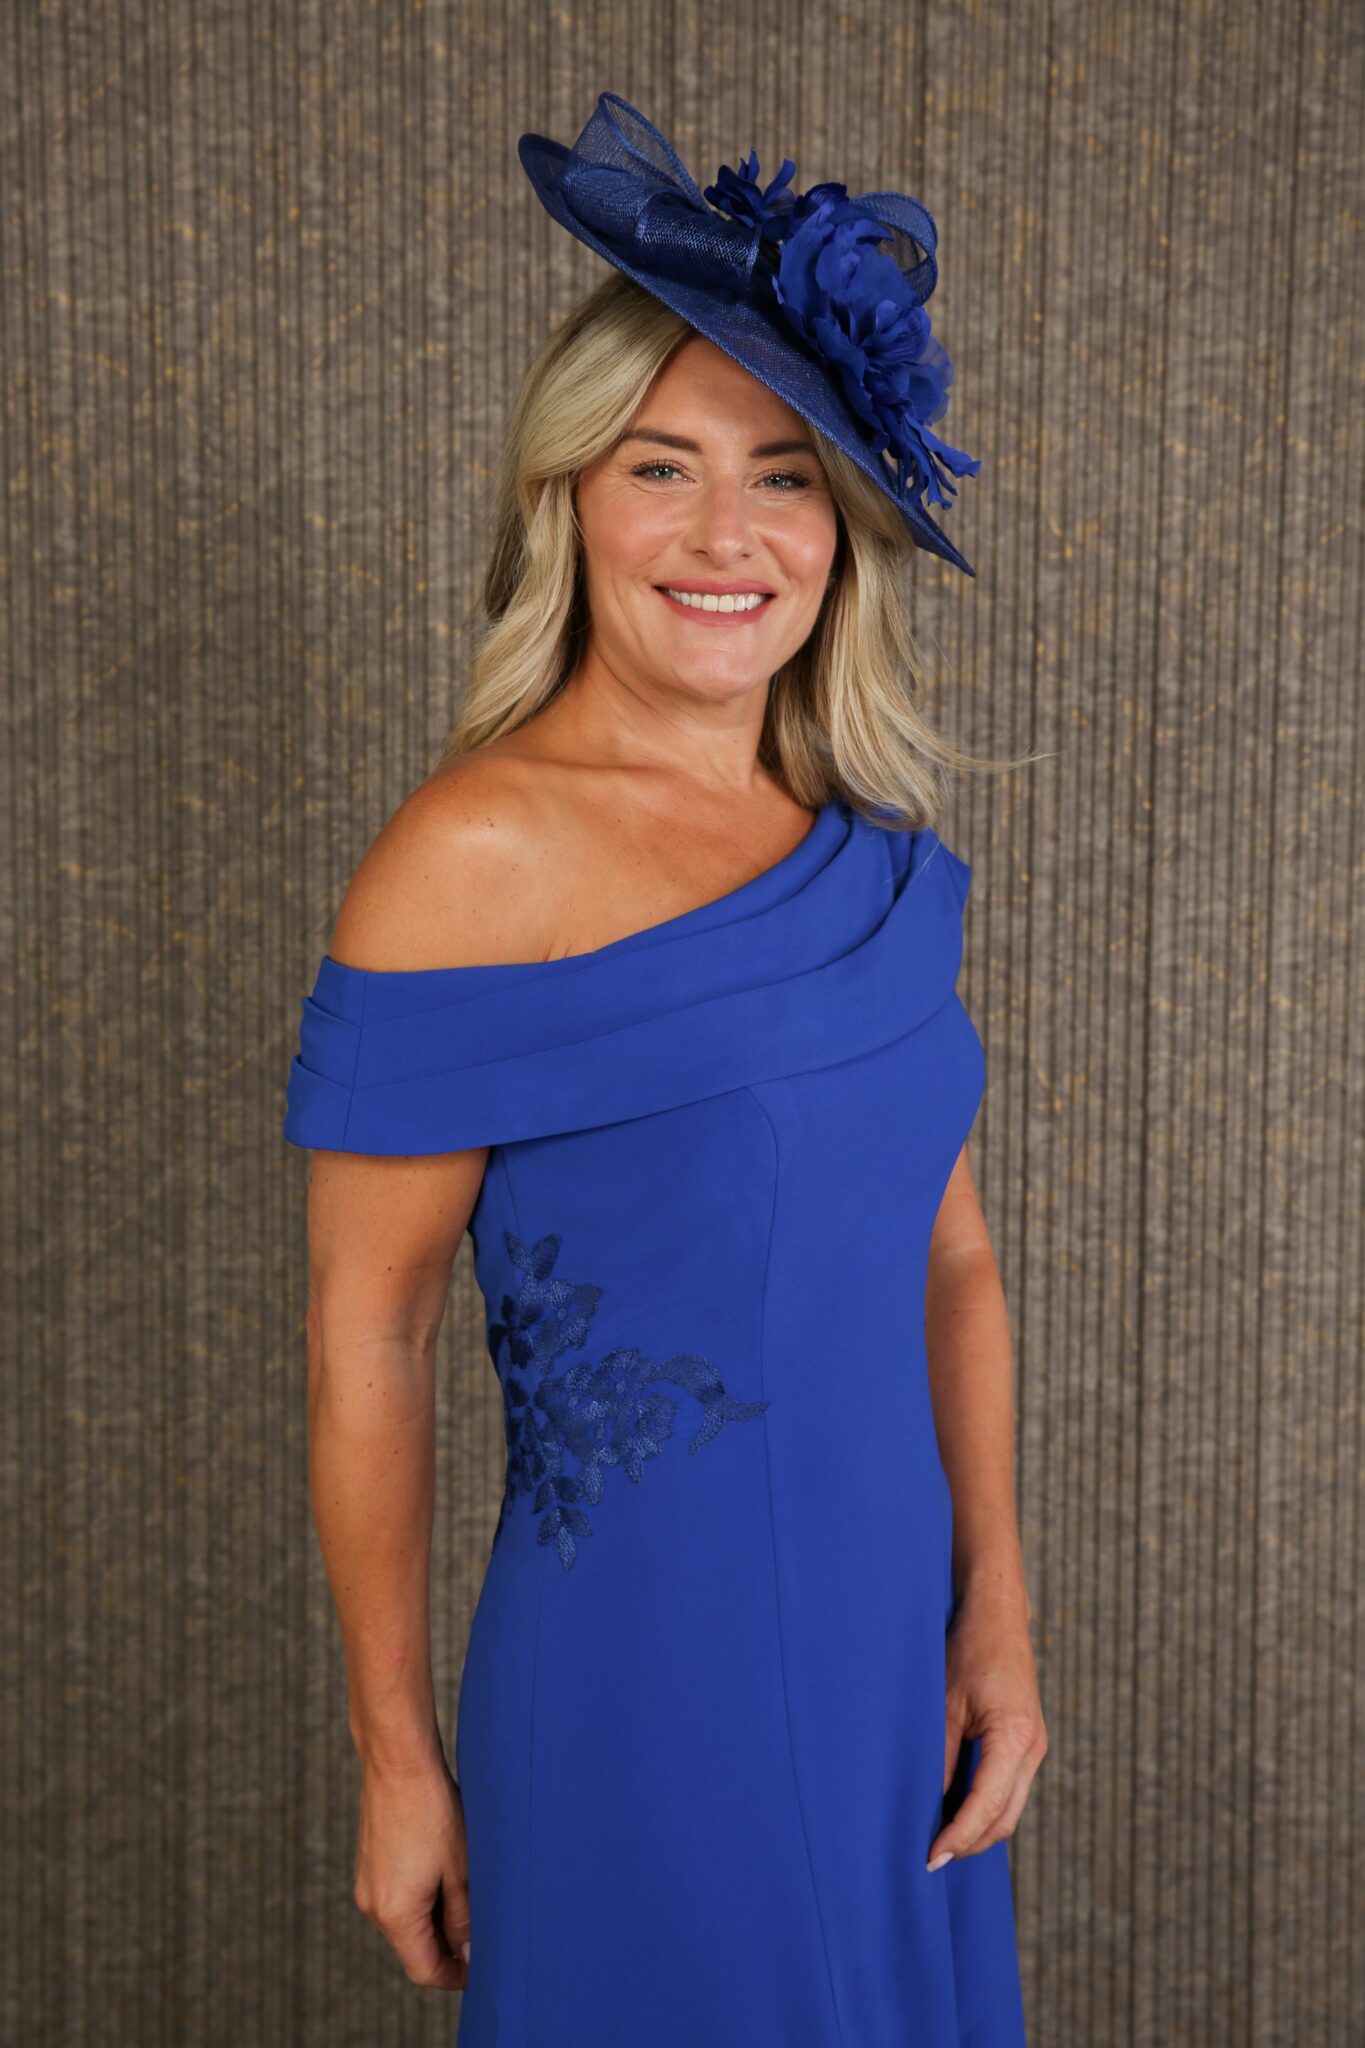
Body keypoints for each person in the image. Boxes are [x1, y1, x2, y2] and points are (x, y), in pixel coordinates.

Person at [284, 91, 1048, 2047]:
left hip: (895, 1673)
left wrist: (993, 1612)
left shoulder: (867, 857)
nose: (728, 536)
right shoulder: (468, 855)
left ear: (842, 526)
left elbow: (949, 1260)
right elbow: (368, 1331)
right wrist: (393, 1756)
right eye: (662, 467)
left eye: (784, 475)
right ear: (568, 499)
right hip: (642, 1681)